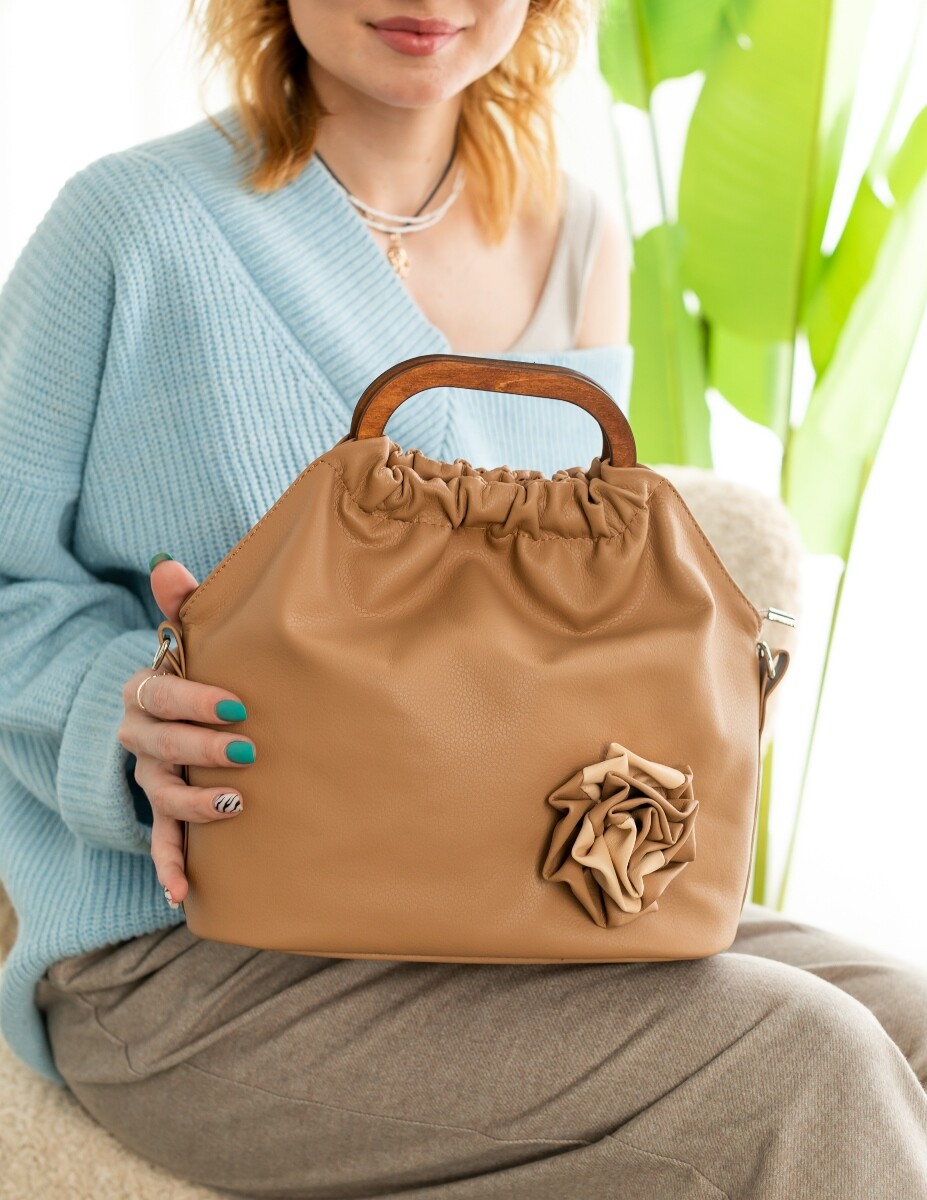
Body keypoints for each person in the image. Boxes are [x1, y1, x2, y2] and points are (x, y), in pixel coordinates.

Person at [0, 1, 925, 1196]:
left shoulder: (577, 238)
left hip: (528, 902)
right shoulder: (129, 225)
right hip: (187, 958)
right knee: (804, 1066)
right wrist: (115, 709)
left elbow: (557, 623)